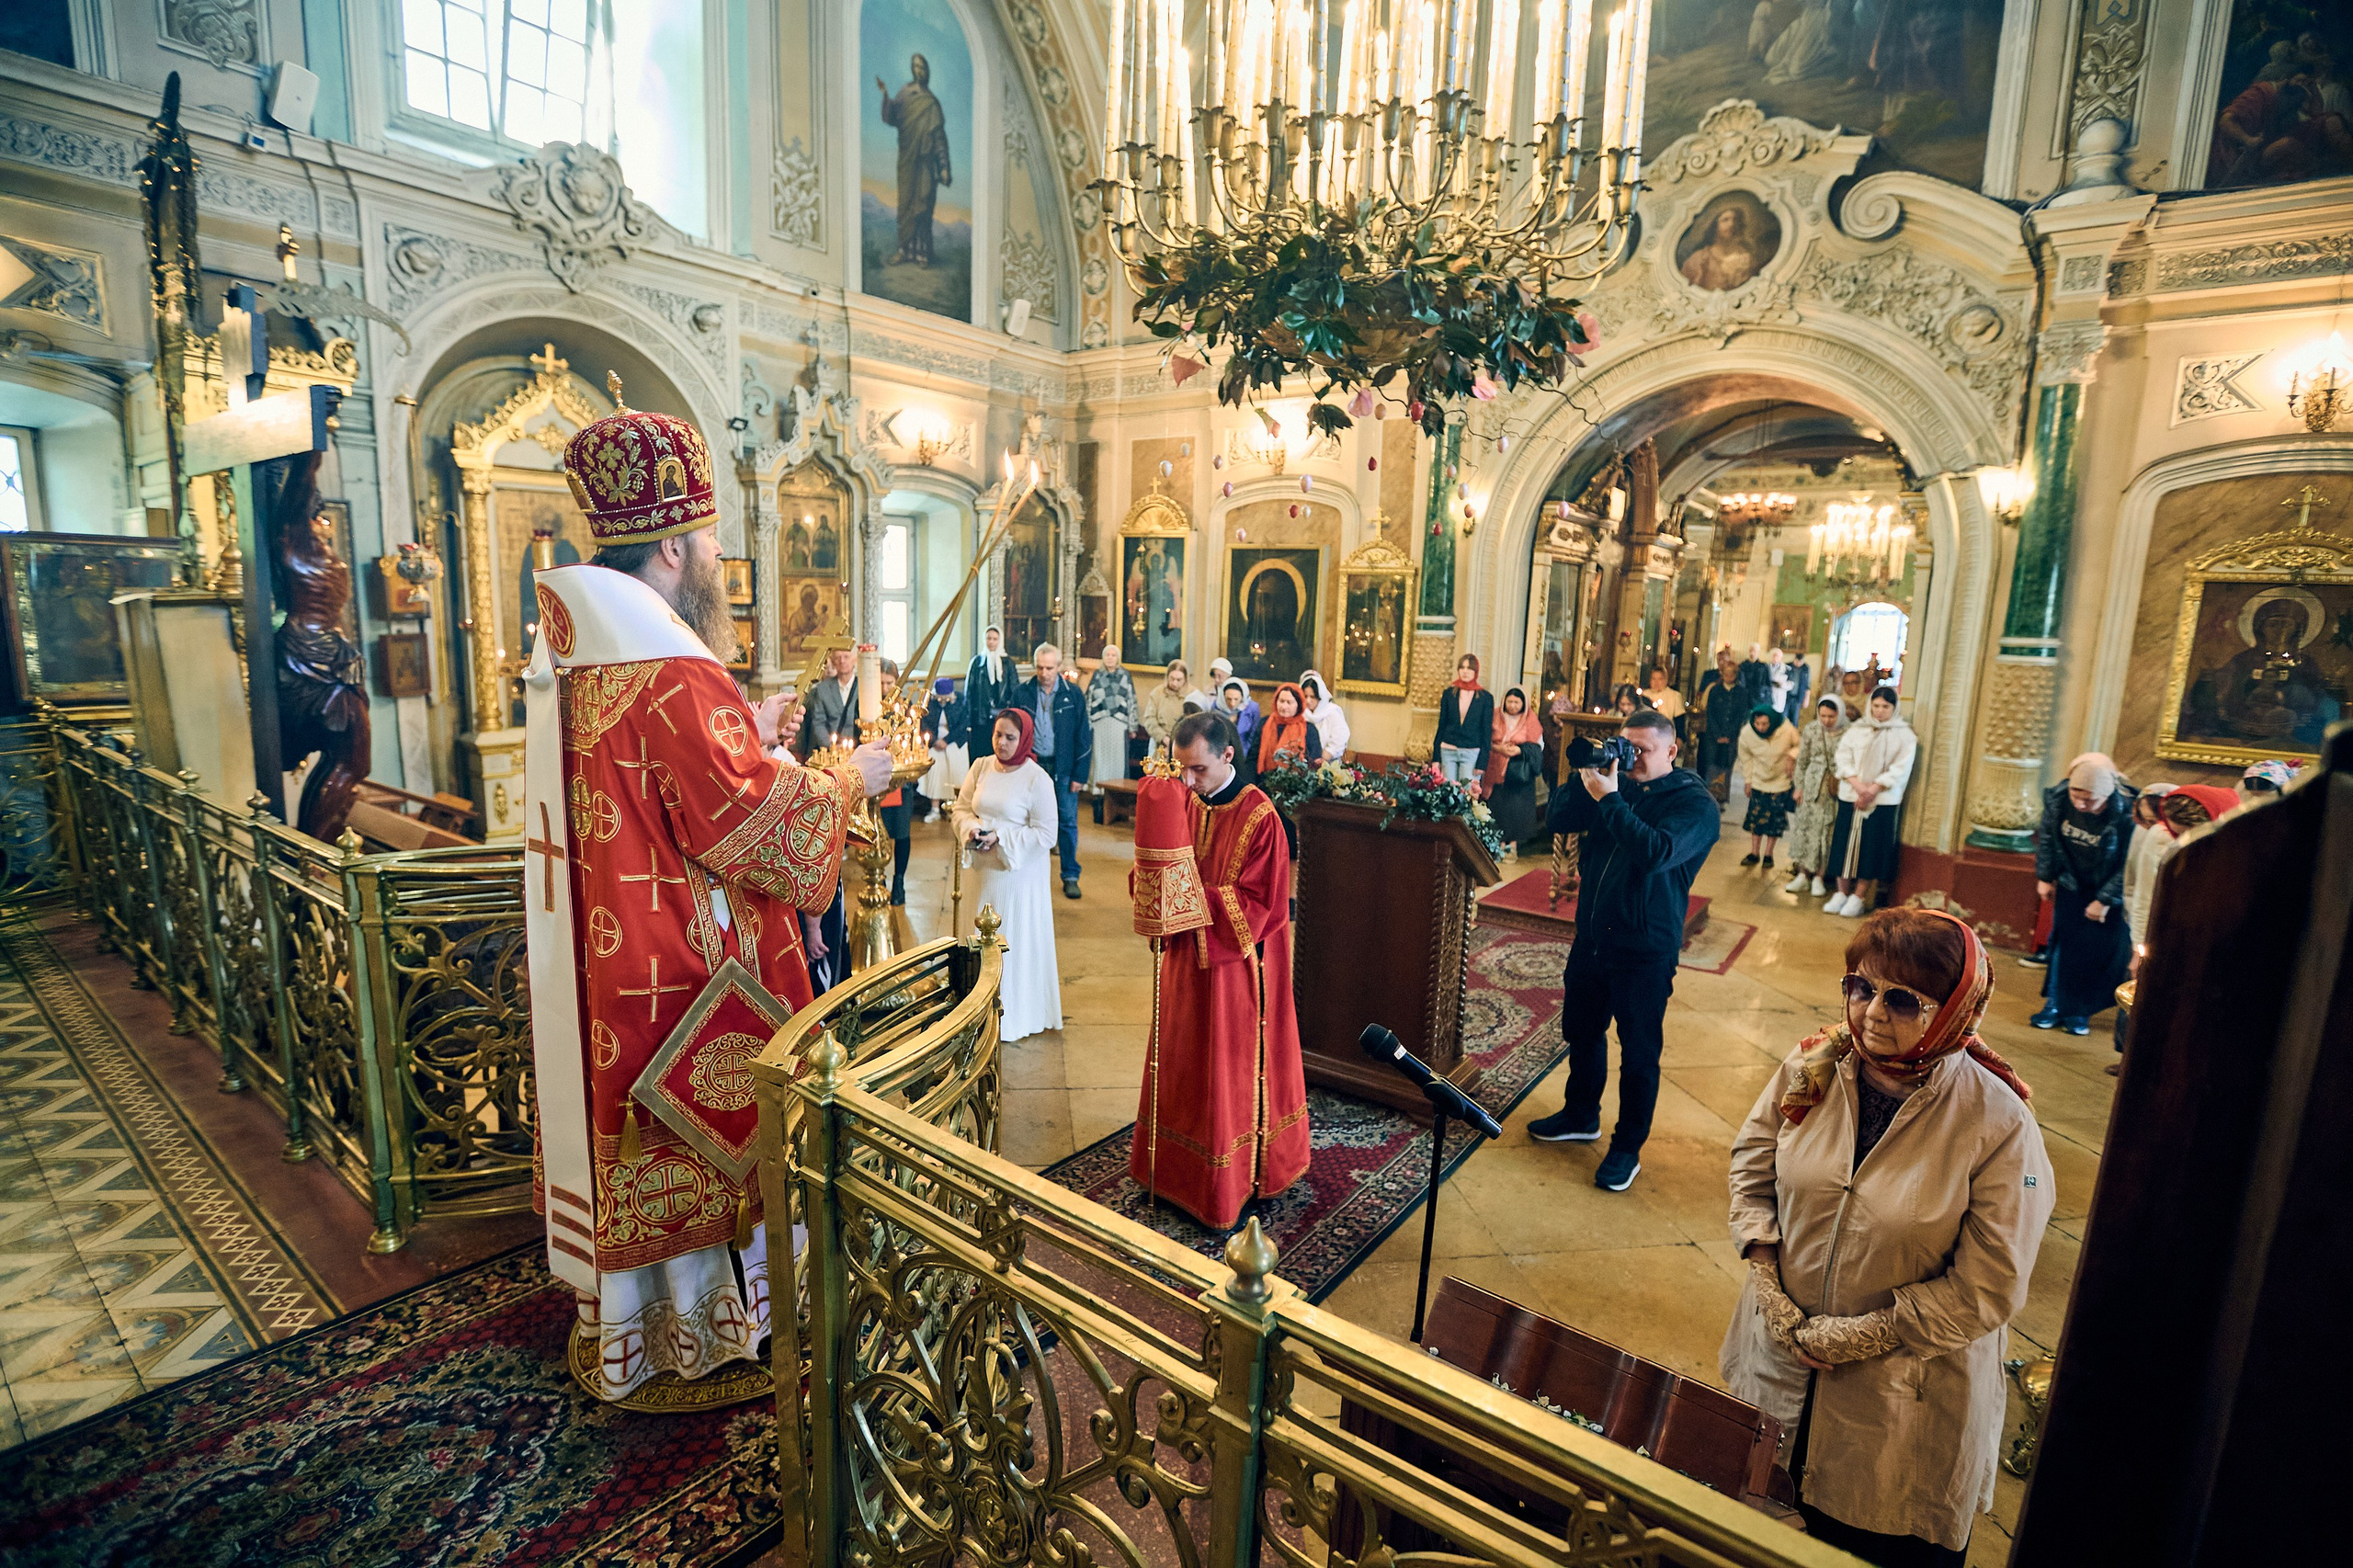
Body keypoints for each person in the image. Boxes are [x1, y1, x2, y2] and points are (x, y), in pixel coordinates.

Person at [521, 387, 894, 1403]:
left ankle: (641, 1324)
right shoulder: (672, 674)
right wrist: (840, 779)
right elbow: (749, 824)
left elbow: (664, 794)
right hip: (686, 967)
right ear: (677, 550)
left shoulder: (578, 655)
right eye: (714, 544)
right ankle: (702, 1330)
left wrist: (755, 731)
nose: (720, 565)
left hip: (612, 960)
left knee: (638, 1139)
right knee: (708, 1136)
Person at [1722, 908, 2050, 1567]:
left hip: (1905, 1398)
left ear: (1957, 1008)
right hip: (1776, 1362)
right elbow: (1752, 1166)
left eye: (1902, 999)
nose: (1872, 1012)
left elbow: (1990, 1284)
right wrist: (1767, 1280)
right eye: (1859, 987)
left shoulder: (1997, 1122)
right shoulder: (1814, 1064)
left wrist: (1860, 1334)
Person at [1126, 710, 1309, 1228]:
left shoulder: (1261, 817)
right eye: (1181, 769)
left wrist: (1182, 895)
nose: (1187, 781)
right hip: (1187, 961)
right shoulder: (1184, 799)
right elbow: (1157, 859)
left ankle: (1233, 1179)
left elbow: (1260, 903)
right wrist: (1149, 882)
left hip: (1237, 971)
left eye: (1198, 769)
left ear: (1228, 755)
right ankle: (1173, 1167)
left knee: (1224, 1070)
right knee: (1183, 1057)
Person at [1528, 709, 1722, 1190]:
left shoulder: (1695, 805)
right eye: (1626, 746)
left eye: (1644, 750)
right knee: (1582, 1030)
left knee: (1637, 1054)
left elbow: (1654, 852)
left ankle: (1626, 1147)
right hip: (1593, 937)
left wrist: (1611, 799)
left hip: (1644, 949)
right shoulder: (1619, 781)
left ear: (1672, 751)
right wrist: (1586, 776)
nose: (1632, 758)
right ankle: (1580, 1115)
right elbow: (1559, 817)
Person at [952, 709, 1063, 1041]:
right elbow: (961, 808)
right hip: (981, 873)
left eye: (1010, 737)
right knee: (977, 942)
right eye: (998, 734)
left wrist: (1001, 836)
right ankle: (973, 1008)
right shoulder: (981, 766)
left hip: (1017, 876)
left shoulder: (1037, 779)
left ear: (1024, 738)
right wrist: (972, 829)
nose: (1002, 743)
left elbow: (1047, 835)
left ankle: (1013, 1013)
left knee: (1010, 939)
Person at [2029, 754, 2136, 1037]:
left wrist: (2104, 900)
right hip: (2070, 883)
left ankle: (2079, 1011)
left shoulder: (2127, 812)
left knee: (2093, 952)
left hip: (2105, 890)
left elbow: (2130, 863)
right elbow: (2049, 838)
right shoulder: (2059, 799)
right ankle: (2054, 1005)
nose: (2080, 804)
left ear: (2106, 794)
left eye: (2089, 799)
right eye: (2076, 795)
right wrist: (2045, 876)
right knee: (2063, 947)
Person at [1824, 687, 1915, 917]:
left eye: (1886, 707)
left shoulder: (1904, 735)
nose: (1880, 711)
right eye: (1876, 706)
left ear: (1894, 708)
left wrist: (1874, 788)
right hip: (1852, 794)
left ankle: (1859, 896)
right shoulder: (1857, 729)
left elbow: (1900, 768)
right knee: (1844, 843)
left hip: (1882, 798)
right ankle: (1841, 892)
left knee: (1871, 847)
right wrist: (1857, 785)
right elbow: (1843, 757)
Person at [1022, 642, 1092, 898]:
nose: (1044, 673)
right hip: (1033, 766)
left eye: (1050, 668)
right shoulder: (1024, 692)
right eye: (1040, 667)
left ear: (1059, 667)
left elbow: (1083, 736)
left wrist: (1079, 775)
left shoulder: (1073, 695)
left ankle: (1070, 875)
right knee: (1028, 821)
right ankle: (1028, 874)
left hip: (1063, 766)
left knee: (1067, 822)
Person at [876, 53, 952, 267]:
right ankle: (904, 250)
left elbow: (939, 138)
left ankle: (922, 253)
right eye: (915, 66)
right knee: (906, 203)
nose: (918, 71)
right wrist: (885, 96)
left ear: (927, 71)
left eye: (922, 67)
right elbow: (893, 118)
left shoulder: (931, 104)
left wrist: (944, 167)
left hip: (926, 161)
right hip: (908, 159)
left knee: (923, 205)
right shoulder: (905, 94)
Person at [1782, 697, 1846, 896]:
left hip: (1834, 787)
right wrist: (1798, 786)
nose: (1826, 720)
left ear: (1840, 714)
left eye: (1831, 716)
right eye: (1823, 715)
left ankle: (1819, 876)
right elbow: (1802, 761)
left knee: (1825, 833)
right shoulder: (1811, 729)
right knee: (1805, 828)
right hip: (1811, 786)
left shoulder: (1848, 732)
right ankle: (1802, 874)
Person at [1737, 703, 1799, 870]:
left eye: (1765, 724)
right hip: (1759, 780)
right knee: (1756, 819)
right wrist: (1748, 780)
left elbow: (1799, 744)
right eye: (1758, 724)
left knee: (1774, 821)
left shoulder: (1785, 728)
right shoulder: (1747, 734)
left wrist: (1791, 757)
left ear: (1772, 722)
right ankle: (1754, 853)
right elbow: (1746, 758)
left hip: (1780, 780)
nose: (1761, 728)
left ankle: (1768, 855)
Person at [1484, 687, 1545, 854]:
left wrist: (1520, 750)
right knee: (1498, 806)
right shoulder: (1495, 716)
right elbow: (1485, 737)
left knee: (1516, 809)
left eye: (1516, 702)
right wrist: (1498, 747)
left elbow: (1538, 745)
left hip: (1518, 772)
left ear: (1523, 703)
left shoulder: (1530, 719)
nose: (1512, 706)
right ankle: (1498, 842)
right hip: (1496, 766)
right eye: (1509, 701)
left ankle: (1514, 844)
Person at [875, 659, 915, 904]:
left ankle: (899, 880)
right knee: (877, 833)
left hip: (900, 779)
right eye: (880, 682)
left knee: (901, 832)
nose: (885, 687)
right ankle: (878, 878)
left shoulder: (905, 708)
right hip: (876, 777)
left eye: (890, 683)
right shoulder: (867, 705)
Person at [1086, 643, 1139, 795]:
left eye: (1113, 655)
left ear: (1118, 658)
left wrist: (1133, 726)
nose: (1110, 658)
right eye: (1107, 655)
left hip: (1119, 723)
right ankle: (1099, 792)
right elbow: (1089, 698)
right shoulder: (1097, 674)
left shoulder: (1125, 675)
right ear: (1103, 657)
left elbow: (1131, 700)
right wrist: (1088, 723)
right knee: (1100, 758)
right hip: (1100, 723)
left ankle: (1116, 791)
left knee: (1117, 760)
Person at [1434, 654, 1495, 789]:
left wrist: (1482, 763)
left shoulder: (1485, 697)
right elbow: (1441, 725)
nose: (1465, 671)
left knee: (1467, 794)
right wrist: (1436, 758)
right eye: (1462, 667)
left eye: (1469, 668)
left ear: (1476, 671)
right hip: (1448, 749)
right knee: (1447, 793)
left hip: (1471, 751)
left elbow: (1486, 731)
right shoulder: (1449, 693)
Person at [1697, 649, 1748, 801]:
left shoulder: (1741, 693)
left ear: (1736, 675)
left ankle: (1722, 795)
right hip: (1714, 734)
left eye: (1731, 674)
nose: (1728, 677)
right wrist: (1718, 734)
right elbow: (1711, 714)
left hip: (1731, 735)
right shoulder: (1715, 691)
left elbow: (1741, 715)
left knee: (1726, 765)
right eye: (1725, 674)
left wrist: (1730, 734)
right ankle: (1709, 795)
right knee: (1711, 764)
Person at [964, 626, 1018, 758]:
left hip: (1002, 715)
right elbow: (969, 693)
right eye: (989, 638)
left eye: (995, 639)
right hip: (981, 718)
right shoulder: (977, 662)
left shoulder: (1008, 663)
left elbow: (1015, 689)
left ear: (1000, 640)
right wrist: (969, 720)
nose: (992, 642)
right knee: (981, 754)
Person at [919, 675, 966, 822]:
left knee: (955, 772)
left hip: (954, 741)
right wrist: (934, 741)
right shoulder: (929, 703)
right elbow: (923, 723)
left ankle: (955, 808)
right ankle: (935, 809)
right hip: (934, 742)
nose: (943, 701)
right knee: (936, 772)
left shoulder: (961, 702)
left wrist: (947, 740)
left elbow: (963, 724)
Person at [801, 644, 859, 757]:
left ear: (855, 660)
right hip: (831, 752)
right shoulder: (822, 689)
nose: (842, 661)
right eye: (838, 657)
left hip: (857, 750)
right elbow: (818, 722)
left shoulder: (864, 688)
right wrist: (830, 746)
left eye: (846, 657)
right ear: (833, 661)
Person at [1142, 660, 1193, 755]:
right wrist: (1163, 737)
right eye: (1172, 679)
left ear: (1185, 679)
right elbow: (1149, 719)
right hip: (1160, 743)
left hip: (1184, 744)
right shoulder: (1157, 693)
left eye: (1179, 680)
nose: (1174, 683)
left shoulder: (1193, 695)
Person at [1218, 677, 1260, 786]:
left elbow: (1253, 735)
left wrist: (1244, 755)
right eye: (1228, 699)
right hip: (1222, 755)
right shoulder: (1216, 707)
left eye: (1236, 699)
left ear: (1242, 697)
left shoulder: (1253, 708)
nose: (1232, 703)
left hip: (1244, 755)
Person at [1300, 670, 1350, 758]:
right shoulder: (1299, 713)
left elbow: (1340, 737)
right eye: (1305, 696)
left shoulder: (1332, 712)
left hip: (1328, 762)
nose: (1308, 701)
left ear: (1320, 697)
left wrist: (1327, 754)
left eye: (1312, 697)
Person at [1643, 665, 1687, 741]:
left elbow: (1679, 719)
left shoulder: (1674, 695)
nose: (1656, 682)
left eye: (1660, 679)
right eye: (1653, 679)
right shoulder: (1645, 695)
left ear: (1666, 680)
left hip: (1666, 733)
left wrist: (1679, 738)